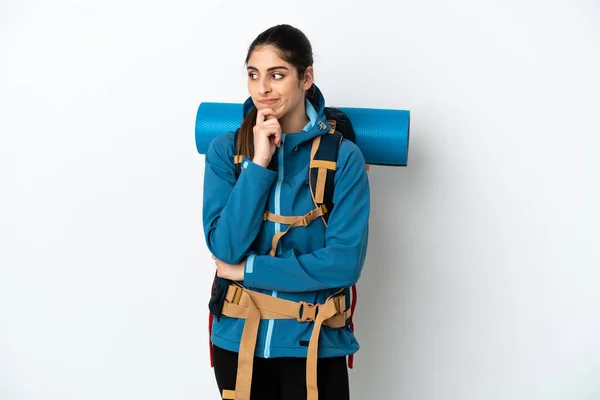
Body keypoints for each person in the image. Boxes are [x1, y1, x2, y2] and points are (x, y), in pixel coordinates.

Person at [202, 23, 370, 400]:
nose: (263, 88)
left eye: (277, 75)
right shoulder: (225, 151)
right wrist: (259, 164)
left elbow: (343, 264)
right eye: (253, 75)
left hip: (313, 344)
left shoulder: (344, 158)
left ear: (306, 77)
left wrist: (250, 270)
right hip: (237, 341)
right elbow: (225, 248)